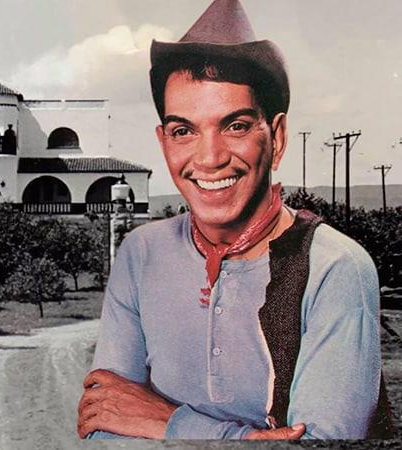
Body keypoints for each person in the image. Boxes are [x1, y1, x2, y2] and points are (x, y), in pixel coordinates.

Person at [77, 0, 392, 440]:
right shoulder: (141, 252)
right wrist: (251, 439)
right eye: (183, 131)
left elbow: (327, 446)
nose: (209, 158)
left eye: (236, 126)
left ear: (277, 137)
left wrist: (169, 422)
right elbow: (106, 423)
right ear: (164, 142)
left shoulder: (334, 267)